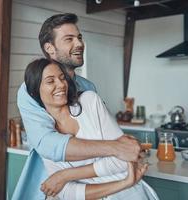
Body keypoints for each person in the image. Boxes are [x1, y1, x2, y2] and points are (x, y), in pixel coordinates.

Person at [12, 13, 141, 200]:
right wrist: (116, 147)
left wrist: (120, 149)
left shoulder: (88, 90)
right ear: (50, 48)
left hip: (99, 183)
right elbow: (48, 145)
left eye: (79, 37)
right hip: (52, 185)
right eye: (69, 39)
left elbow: (113, 142)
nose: (79, 44)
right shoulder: (30, 90)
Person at [24, 58, 159, 200]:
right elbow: (64, 191)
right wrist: (124, 183)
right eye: (50, 81)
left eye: (62, 78)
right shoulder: (44, 136)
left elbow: (126, 157)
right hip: (124, 185)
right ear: (35, 92)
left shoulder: (89, 102)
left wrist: (65, 175)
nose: (61, 85)